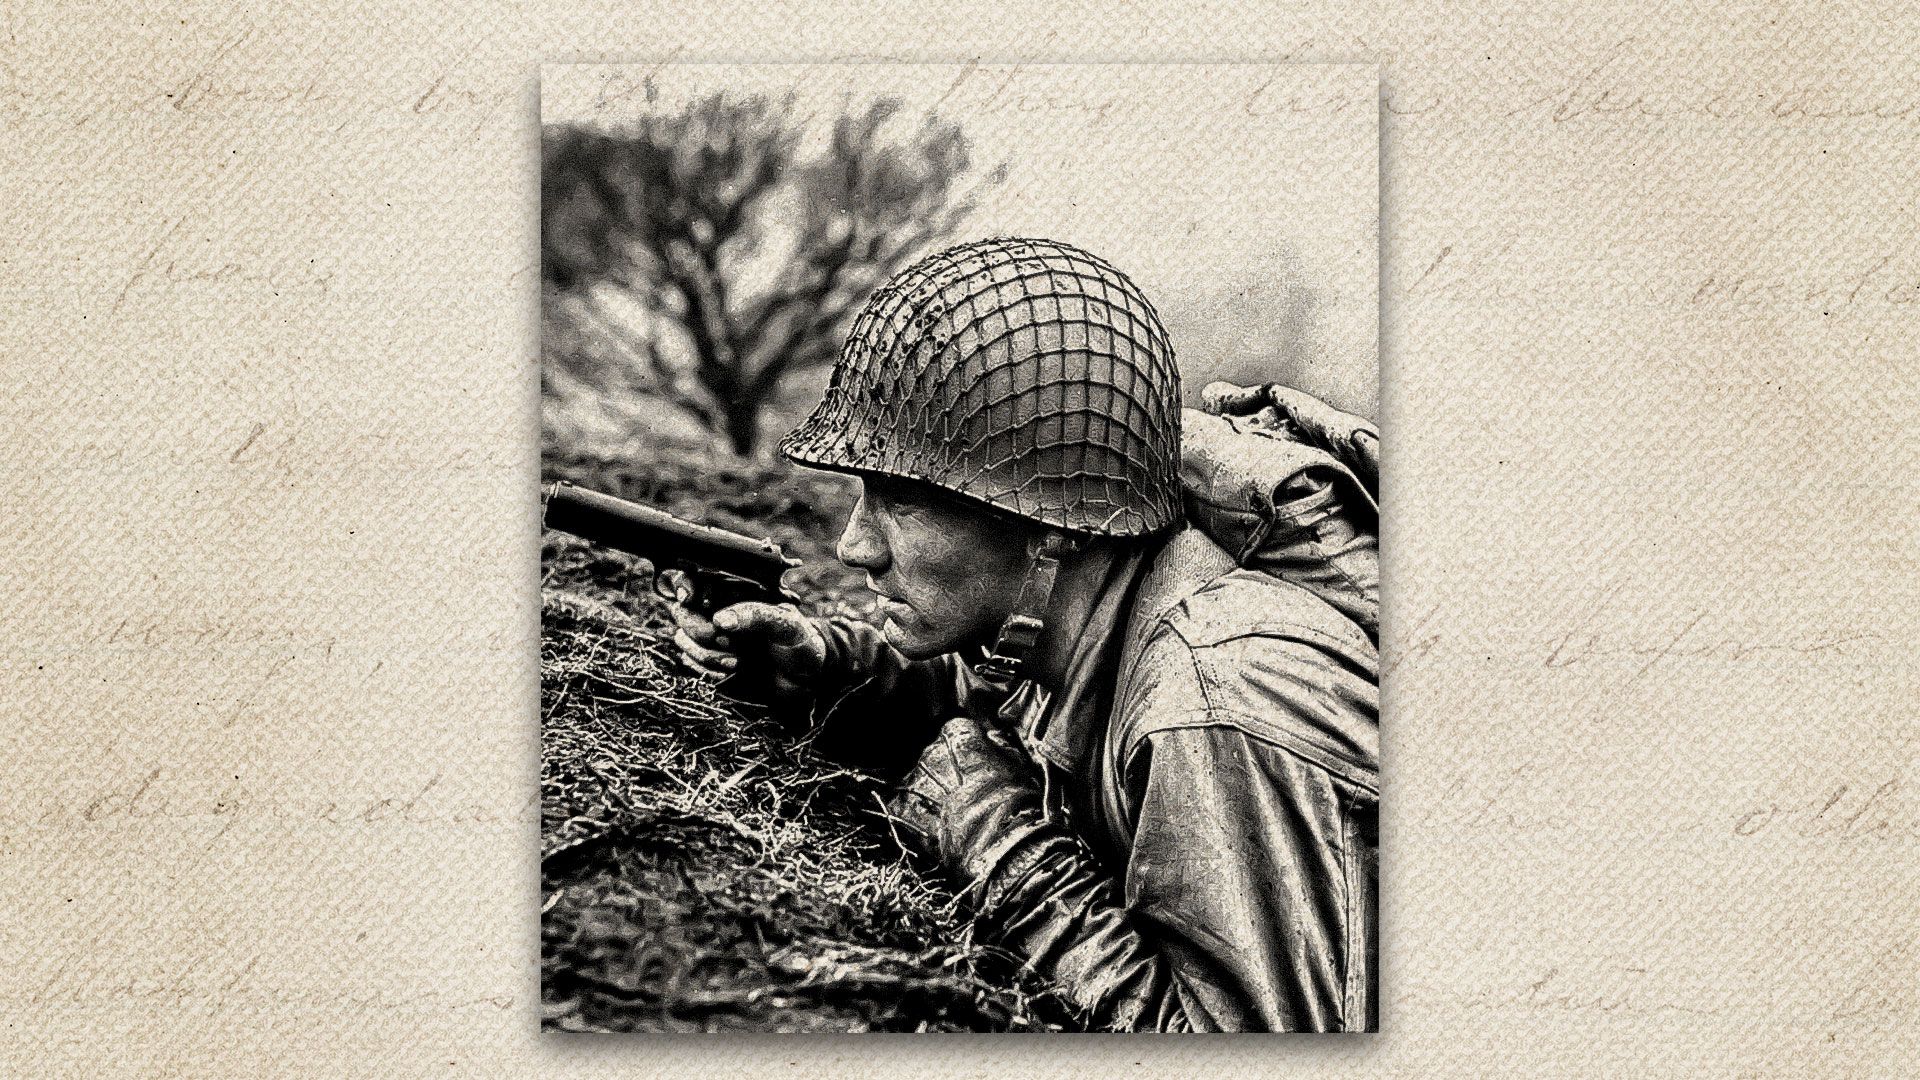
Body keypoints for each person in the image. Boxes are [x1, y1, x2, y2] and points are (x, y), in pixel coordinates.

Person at [672, 237, 1379, 1032]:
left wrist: (1000, 843)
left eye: (903, 500)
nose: (855, 546)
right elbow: (1016, 702)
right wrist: (827, 670)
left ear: (1055, 528)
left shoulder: (1214, 697)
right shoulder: (1083, 603)